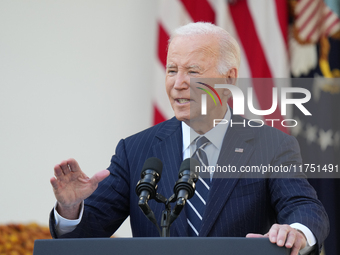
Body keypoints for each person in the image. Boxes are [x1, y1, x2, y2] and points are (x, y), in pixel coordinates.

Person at [49, 22, 329, 255]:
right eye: (172, 70)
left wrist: (296, 232)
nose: (178, 83)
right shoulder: (135, 149)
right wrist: (71, 208)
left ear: (229, 79)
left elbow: (305, 209)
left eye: (193, 71)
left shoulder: (272, 145)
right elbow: (86, 235)